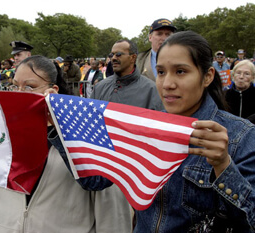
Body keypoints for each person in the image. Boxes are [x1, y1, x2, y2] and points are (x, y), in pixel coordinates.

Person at [82, 31, 255, 232]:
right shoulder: (146, 127)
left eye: (180, 71)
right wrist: (56, 127)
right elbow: (95, 180)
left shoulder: (240, 136)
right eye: (161, 72)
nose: (167, 84)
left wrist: (223, 166)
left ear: (207, 76)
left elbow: (250, 221)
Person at [0, 55, 132, 233]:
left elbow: (111, 210)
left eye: (29, 87)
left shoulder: (85, 138)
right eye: (14, 86)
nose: (19, 94)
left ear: (53, 91)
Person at [91, 39, 163, 110]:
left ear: (133, 57)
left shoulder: (152, 90)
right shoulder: (99, 88)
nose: (113, 58)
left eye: (118, 54)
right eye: (111, 55)